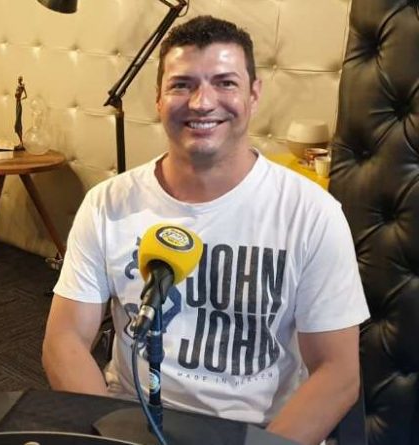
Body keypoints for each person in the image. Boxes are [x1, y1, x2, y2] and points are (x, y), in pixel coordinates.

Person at [41, 15, 369, 445]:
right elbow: (64, 339)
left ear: (253, 94)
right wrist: (105, 435)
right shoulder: (107, 204)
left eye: (225, 83)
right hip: (129, 423)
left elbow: (338, 373)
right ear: (158, 99)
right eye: (182, 85)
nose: (201, 102)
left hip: (258, 432)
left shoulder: (312, 214)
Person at [14, 76, 28, 147]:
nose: (18, 80)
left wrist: (22, 98)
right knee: (18, 124)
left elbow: (26, 95)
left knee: (17, 124)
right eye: (18, 79)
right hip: (16, 104)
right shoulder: (18, 86)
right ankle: (21, 142)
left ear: (21, 80)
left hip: (19, 104)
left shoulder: (22, 86)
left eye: (19, 79)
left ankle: (21, 142)